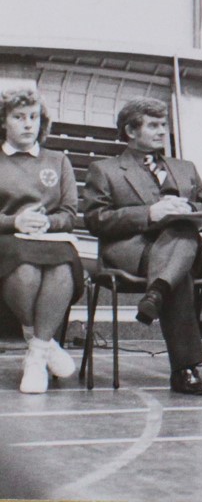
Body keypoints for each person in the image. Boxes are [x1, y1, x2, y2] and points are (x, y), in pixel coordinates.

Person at [82, 98, 202, 395]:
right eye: (154, 125)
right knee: (181, 262)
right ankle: (184, 370)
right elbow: (95, 220)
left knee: (182, 237)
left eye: (164, 125)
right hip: (130, 249)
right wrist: (149, 213)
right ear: (130, 131)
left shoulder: (185, 168)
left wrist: (188, 207)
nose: (162, 132)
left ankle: (157, 292)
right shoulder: (104, 170)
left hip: (177, 245)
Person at [0, 88, 82, 394]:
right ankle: (44, 343)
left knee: (61, 267)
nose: (27, 124)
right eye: (19, 117)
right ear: (4, 121)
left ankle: (36, 353)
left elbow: (70, 213)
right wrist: (14, 221)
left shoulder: (58, 160)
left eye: (33, 117)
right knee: (26, 271)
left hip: (51, 239)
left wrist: (49, 221)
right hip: (6, 240)